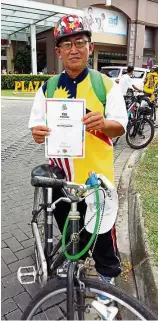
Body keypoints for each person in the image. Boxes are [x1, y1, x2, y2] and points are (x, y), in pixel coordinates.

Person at [29, 14, 128, 303]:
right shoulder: (46, 88)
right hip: (60, 176)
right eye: (67, 44)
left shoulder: (106, 86)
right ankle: (74, 261)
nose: (74, 49)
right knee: (69, 226)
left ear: (90, 47)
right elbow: (36, 128)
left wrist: (104, 123)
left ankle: (108, 276)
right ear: (58, 52)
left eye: (80, 43)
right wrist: (37, 133)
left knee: (101, 231)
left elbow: (120, 125)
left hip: (96, 178)